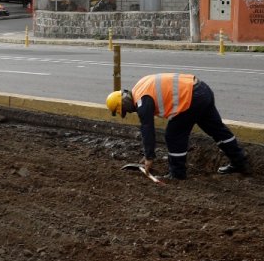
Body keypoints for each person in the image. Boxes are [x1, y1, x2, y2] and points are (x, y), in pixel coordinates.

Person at [106, 73, 248, 180]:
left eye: (126, 110)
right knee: (217, 130)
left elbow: (147, 129)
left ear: (123, 102)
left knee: (173, 135)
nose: (131, 112)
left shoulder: (142, 101)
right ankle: (239, 161)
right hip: (201, 89)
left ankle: (177, 173)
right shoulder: (140, 86)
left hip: (191, 98)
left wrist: (149, 157)